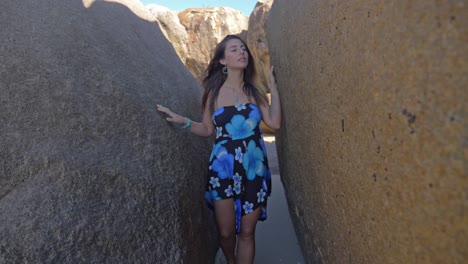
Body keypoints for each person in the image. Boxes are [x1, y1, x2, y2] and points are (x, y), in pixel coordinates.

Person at [157, 34, 281, 264]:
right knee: (226, 233)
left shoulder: (254, 92)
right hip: (223, 170)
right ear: (222, 61)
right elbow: (206, 129)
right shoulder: (212, 94)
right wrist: (182, 120)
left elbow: (274, 123)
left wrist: (274, 88)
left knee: (247, 232)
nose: (242, 52)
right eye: (234, 49)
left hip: (254, 169)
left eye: (243, 48)